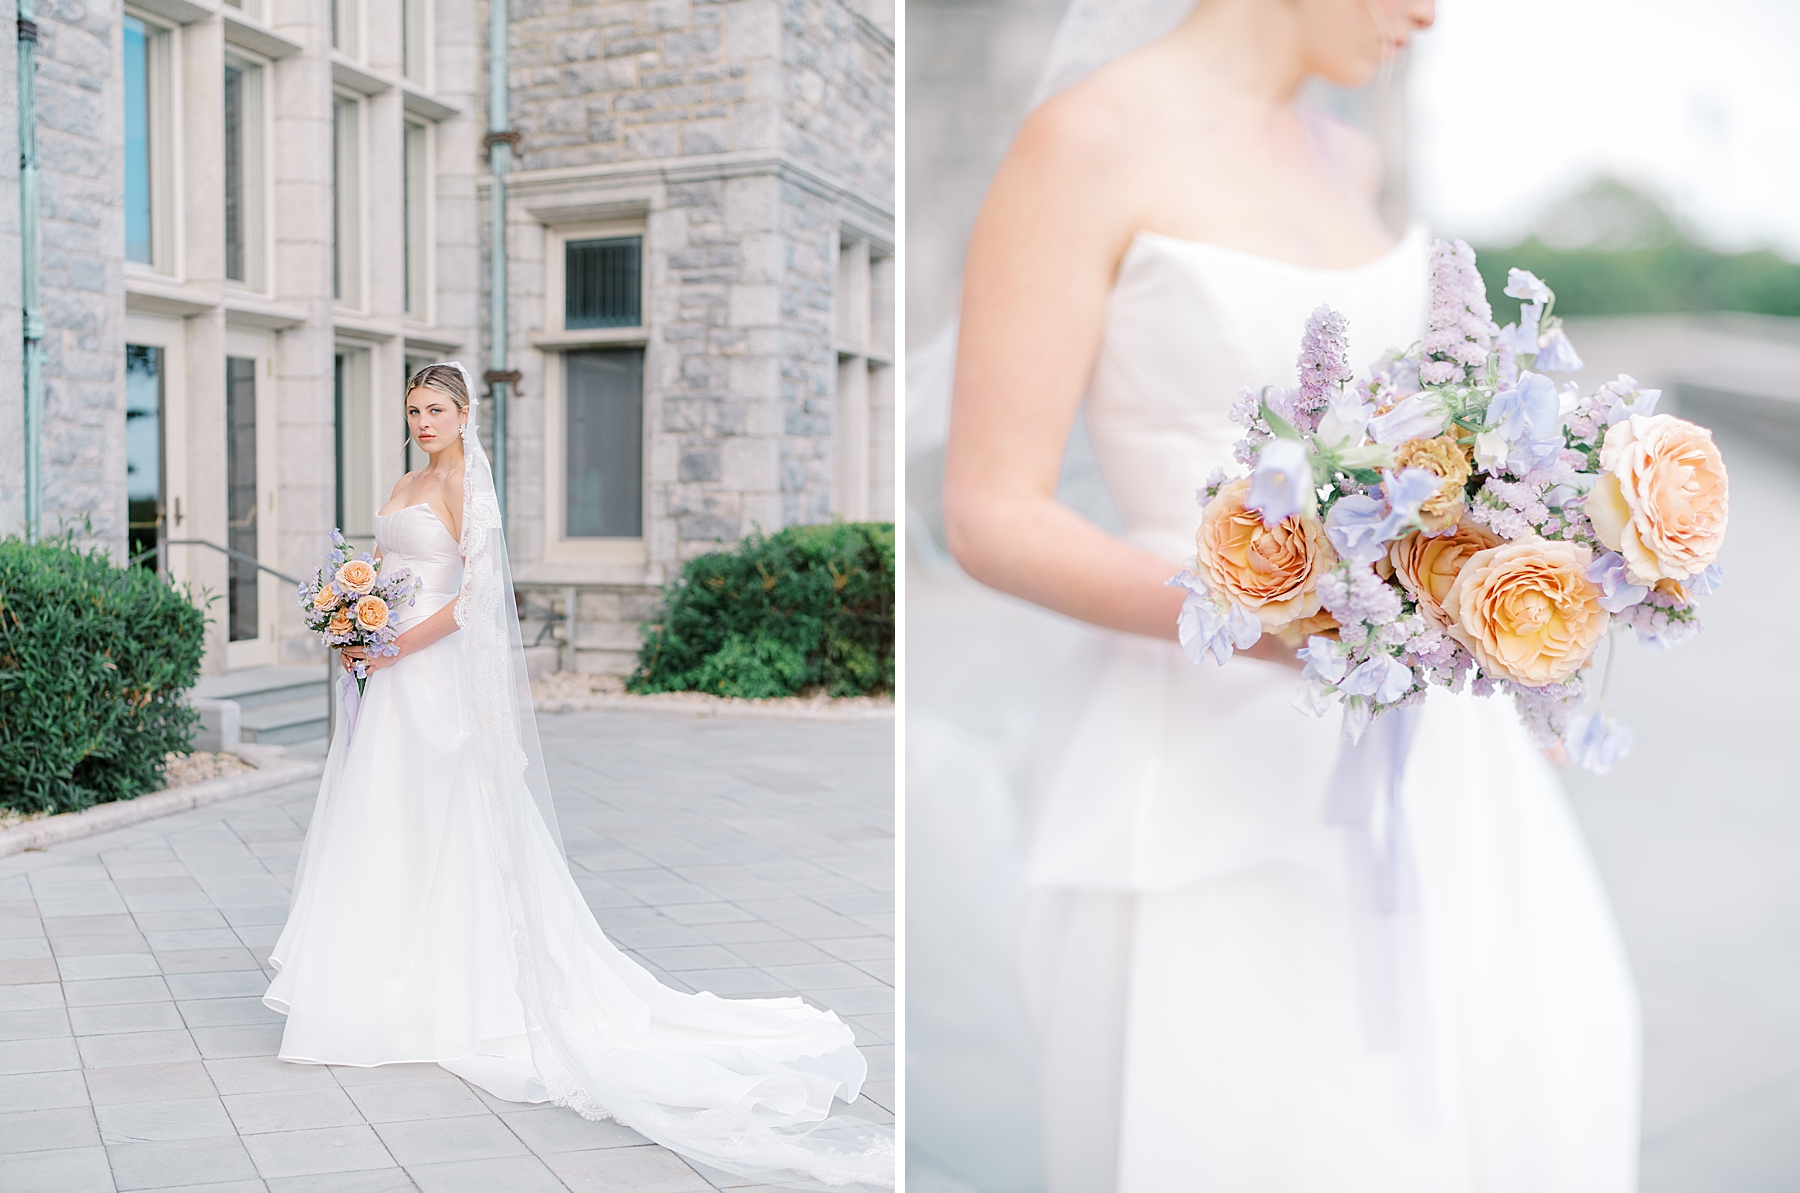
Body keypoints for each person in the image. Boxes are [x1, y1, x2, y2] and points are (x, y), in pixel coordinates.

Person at [937, 1, 1640, 1189]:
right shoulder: (1084, 141)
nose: (1432, 12)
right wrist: (1278, 627)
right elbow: (990, 510)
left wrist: (1519, 577)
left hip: (1446, 754)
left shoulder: (1346, 151)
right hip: (1205, 745)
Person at [264, 363, 893, 1190]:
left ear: (464, 414)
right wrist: (353, 615)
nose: (423, 421)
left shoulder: (465, 486)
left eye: (437, 409)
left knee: (446, 815)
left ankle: (449, 982)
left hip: (432, 672)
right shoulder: (409, 475)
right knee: (384, 817)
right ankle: (378, 975)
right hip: (387, 678)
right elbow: (381, 567)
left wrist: (395, 644)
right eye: (414, 410)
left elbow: (476, 598)